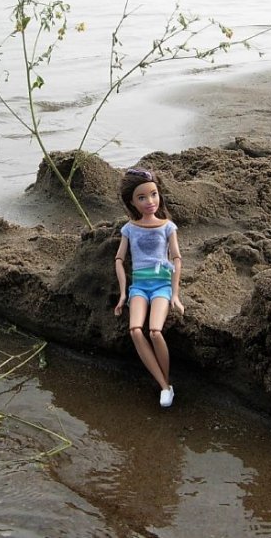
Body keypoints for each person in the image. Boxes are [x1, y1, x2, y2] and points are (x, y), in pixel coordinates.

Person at [114, 167, 184, 408]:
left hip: (162, 284)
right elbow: (119, 260)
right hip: (138, 287)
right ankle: (165, 386)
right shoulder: (130, 229)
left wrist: (175, 294)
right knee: (135, 330)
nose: (149, 201)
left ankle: (167, 384)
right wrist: (123, 293)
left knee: (155, 331)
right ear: (132, 202)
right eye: (142, 197)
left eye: (153, 194)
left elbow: (176, 258)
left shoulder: (167, 226)